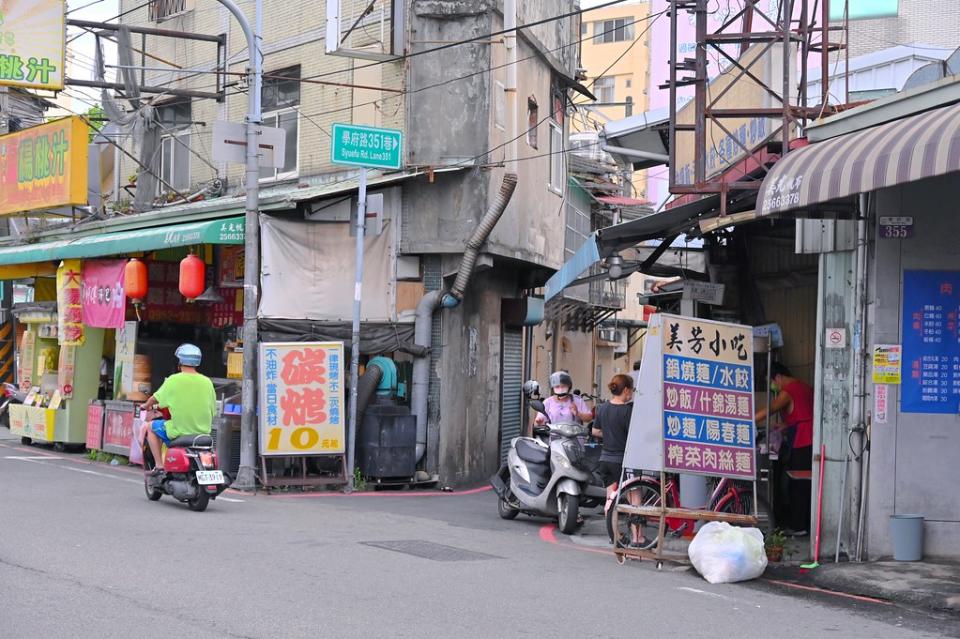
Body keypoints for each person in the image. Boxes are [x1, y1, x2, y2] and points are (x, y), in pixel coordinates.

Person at [754, 362, 814, 534]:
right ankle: (802, 524)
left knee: (798, 484)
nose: (772, 386)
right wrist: (786, 425)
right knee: (802, 483)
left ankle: (798, 526)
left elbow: (770, 409)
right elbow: (803, 414)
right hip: (808, 438)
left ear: (778, 377)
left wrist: (748, 421)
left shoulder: (790, 390)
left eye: (771, 381)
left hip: (804, 440)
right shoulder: (803, 386)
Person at [142, 344, 217, 475]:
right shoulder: (207, 382)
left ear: (180, 362)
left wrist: (146, 405)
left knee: (150, 427)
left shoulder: (173, 380)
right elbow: (213, 409)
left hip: (179, 431)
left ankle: (159, 466)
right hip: (203, 434)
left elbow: (156, 398)